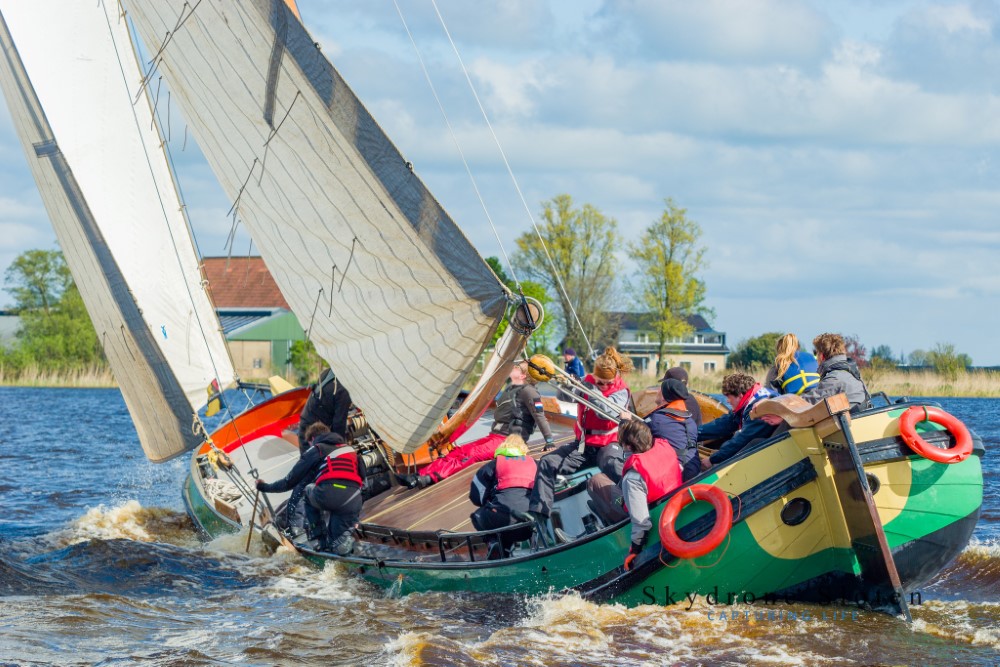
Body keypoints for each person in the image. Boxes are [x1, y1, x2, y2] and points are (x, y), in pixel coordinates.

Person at [405, 361, 554, 488]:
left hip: (508, 442)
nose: (513, 368)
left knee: (471, 455)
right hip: (495, 436)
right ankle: (419, 475)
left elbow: (539, 416)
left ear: (524, 375)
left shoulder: (529, 392)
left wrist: (549, 441)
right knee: (459, 450)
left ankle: (430, 478)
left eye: (517, 368)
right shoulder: (512, 388)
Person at [528, 347, 633, 520]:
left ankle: (632, 503)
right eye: (600, 382)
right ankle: (538, 514)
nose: (605, 386)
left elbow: (604, 410)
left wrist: (590, 388)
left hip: (609, 444)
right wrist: (566, 384)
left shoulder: (621, 390)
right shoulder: (586, 382)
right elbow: (565, 398)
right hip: (584, 445)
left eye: (609, 383)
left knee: (613, 465)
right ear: (595, 375)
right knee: (547, 463)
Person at [586, 420, 681, 569]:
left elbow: (641, 521)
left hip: (650, 513)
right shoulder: (667, 448)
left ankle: (610, 527)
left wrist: (635, 551)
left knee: (595, 481)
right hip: (672, 504)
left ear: (628, 446)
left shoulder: (633, 477)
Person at [255, 422, 335, 537]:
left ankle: (293, 531)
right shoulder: (344, 448)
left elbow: (288, 482)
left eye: (309, 443)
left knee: (299, 492)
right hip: (350, 497)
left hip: (328, 497)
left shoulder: (314, 452)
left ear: (313, 439)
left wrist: (263, 487)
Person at [468, 435, 537, 555]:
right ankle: (535, 545)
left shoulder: (492, 466)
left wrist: (489, 500)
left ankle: (493, 542)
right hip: (529, 521)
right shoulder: (536, 463)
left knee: (477, 516)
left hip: (500, 519)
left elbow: (475, 496)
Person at [302, 429, 367, 554]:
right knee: (336, 543)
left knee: (308, 492)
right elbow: (363, 480)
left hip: (329, 496)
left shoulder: (319, 454)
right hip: (351, 501)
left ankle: (319, 540)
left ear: (313, 439)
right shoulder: (349, 450)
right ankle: (342, 545)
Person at [698, 372, 778, 469]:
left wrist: (712, 459)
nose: (727, 401)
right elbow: (724, 424)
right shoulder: (752, 398)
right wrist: (694, 433)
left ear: (740, 396)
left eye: (728, 397)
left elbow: (741, 440)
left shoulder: (759, 408)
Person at [643, 378, 699, 481]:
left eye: (659, 389)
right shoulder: (690, 421)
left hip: (674, 473)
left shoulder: (656, 420)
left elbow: (635, 433)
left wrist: (625, 421)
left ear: (664, 396)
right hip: (693, 470)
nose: (657, 391)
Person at [800, 333, 872, 412]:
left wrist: (789, 401)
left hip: (852, 420)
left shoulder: (835, 378)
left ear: (821, 356)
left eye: (815, 353)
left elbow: (808, 401)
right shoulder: (852, 372)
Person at [297, 367, 352, 456]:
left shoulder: (329, 372)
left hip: (306, 424)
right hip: (312, 434)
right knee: (316, 465)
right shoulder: (343, 390)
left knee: (309, 463)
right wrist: (342, 451)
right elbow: (338, 425)